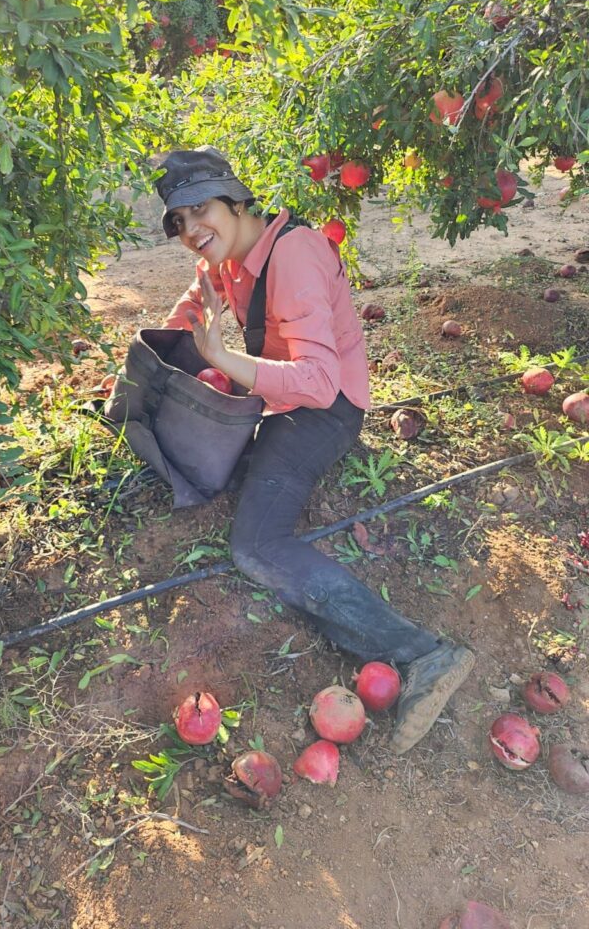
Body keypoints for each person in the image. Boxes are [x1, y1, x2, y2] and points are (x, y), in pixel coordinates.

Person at [153, 146, 474, 754]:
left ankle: (423, 654)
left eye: (200, 211)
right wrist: (171, 343)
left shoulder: (293, 254)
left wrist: (223, 360)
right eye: (178, 222)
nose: (191, 230)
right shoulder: (224, 259)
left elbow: (320, 383)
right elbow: (197, 305)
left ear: (235, 200)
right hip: (280, 398)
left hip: (324, 411)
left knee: (256, 544)